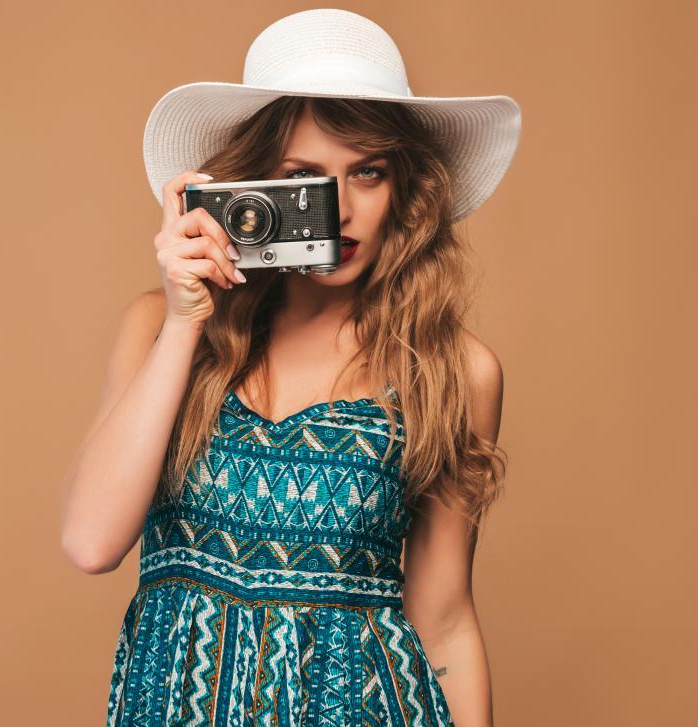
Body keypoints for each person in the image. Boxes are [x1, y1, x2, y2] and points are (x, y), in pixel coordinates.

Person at [60, 9, 521, 726]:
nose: (339, 211)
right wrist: (187, 322)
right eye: (304, 179)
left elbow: (446, 620)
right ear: (253, 190)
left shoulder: (450, 370)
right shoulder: (158, 328)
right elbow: (91, 541)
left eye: (367, 172)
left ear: (404, 186)